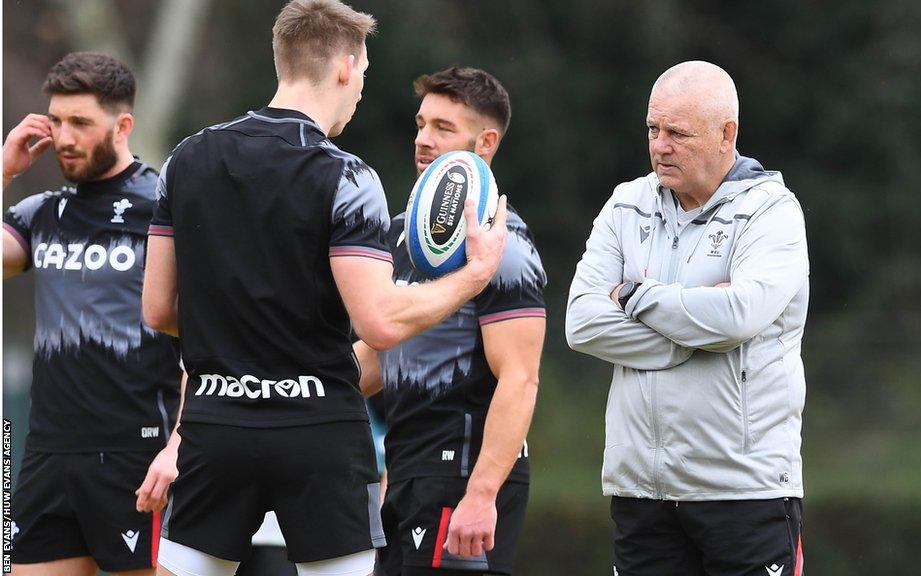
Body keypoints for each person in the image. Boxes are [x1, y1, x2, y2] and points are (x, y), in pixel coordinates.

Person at [137, 1, 509, 575]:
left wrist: (235, 330)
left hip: (216, 424)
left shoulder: (187, 158)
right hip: (318, 431)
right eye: (363, 72)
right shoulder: (348, 176)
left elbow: (158, 308)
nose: (361, 88)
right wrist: (475, 276)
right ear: (344, 66)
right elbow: (380, 322)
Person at [565, 61, 809, 576]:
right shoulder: (625, 205)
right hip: (641, 491)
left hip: (745, 491)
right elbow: (581, 322)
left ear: (727, 134)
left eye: (677, 133)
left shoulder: (773, 212)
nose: (659, 146)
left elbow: (739, 314)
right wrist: (689, 336)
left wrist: (634, 295)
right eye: (653, 129)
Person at [355, 67, 546, 576]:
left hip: (464, 480)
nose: (422, 140)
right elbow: (379, 360)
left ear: (485, 143)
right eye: (421, 124)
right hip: (407, 472)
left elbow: (520, 379)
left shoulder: (504, 248)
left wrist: (482, 494)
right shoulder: (399, 237)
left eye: (442, 128)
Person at [2, 52, 182, 576]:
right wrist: (4, 168)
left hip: (137, 457)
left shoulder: (162, 208)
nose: (63, 137)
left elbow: (206, 334)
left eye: (80, 122)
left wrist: (179, 444)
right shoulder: (42, 214)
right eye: (55, 121)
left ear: (123, 125)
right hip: (47, 456)